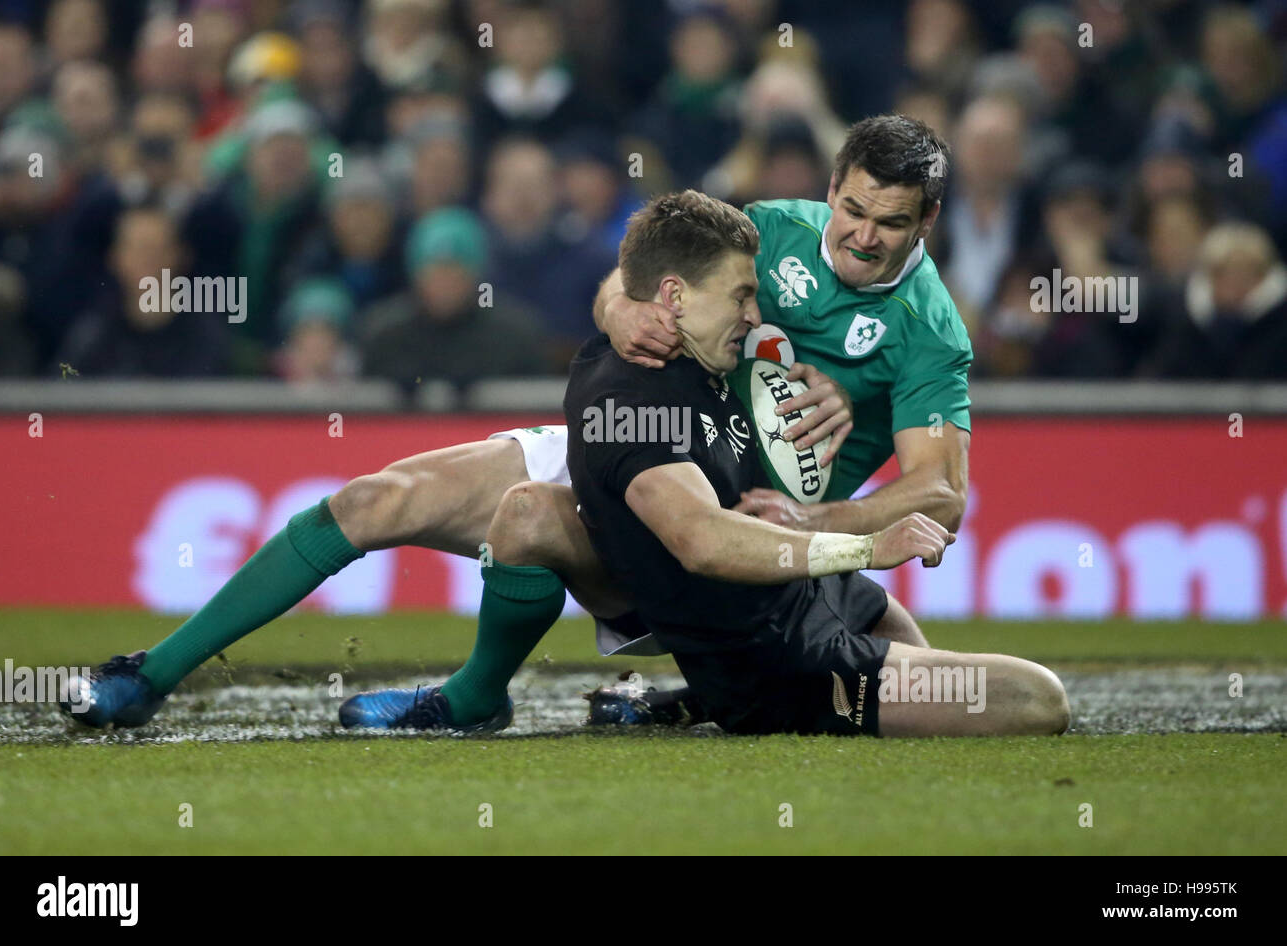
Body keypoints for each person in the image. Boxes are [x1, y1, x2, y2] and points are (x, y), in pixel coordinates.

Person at [61, 115, 973, 731]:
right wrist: (618, 312)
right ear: (832, 185)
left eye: (888, 223)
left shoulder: (930, 330)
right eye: (851, 207)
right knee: (379, 498)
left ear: (926, 219)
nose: (859, 235)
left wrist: (814, 521)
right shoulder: (768, 229)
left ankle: (513, 697)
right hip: (638, 443)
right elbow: (631, 274)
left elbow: (940, 491)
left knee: (911, 671)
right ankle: (151, 674)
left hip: (729, 528)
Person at [340, 192, 1068, 738]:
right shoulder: (634, 401)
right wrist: (871, 545)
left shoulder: (702, 365)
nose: (758, 311)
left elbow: (666, 296)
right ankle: (516, 697)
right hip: (787, 662)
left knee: (920, 654)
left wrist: (832, 400)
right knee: (1034, 700)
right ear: (675, 297)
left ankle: (677, 701)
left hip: (815, 596)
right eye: (745, 296)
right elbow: (702, 540)